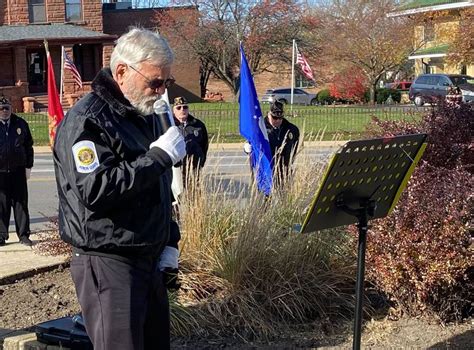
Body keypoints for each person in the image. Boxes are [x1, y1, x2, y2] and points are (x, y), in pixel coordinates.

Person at [53, 28, 186, 350]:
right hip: (109, 259)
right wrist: (159, 156)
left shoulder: (142, 111)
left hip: (147, 254)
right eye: (155, 82)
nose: (160, 92)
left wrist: (169, 238)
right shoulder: (88, 120)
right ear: (122, 71)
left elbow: (157, 188)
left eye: (166, 83)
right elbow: (95, 189)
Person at [0, 96, 34, 247]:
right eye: (1, 109)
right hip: (0, 172)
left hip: (18, 171)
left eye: (7, 108)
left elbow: (28, 147)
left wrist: (28, 167)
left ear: (11, 108)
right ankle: (1, 235)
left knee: (21, 204)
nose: (4, 111)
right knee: (1, 205)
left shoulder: (20, 123)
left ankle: (24, 235)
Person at [172, 96, 209, 184]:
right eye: (179, 108)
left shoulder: (198, 125)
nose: (182, 110)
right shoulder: (170, 126)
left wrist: (201, 161)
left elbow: (204, 145)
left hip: (194, 166)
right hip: (176, 168)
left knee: (194, 192)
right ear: (174, 110)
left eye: (185, 107)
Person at [264, 100, 300, 185]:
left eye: (280, 118)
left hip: (284, 170)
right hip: (267, 169)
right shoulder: (261, 128)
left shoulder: (291, 129)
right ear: (269, 114)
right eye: (275, 118)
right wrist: (247, 148)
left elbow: (295, 147)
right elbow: (253, 143)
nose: (277, 121)